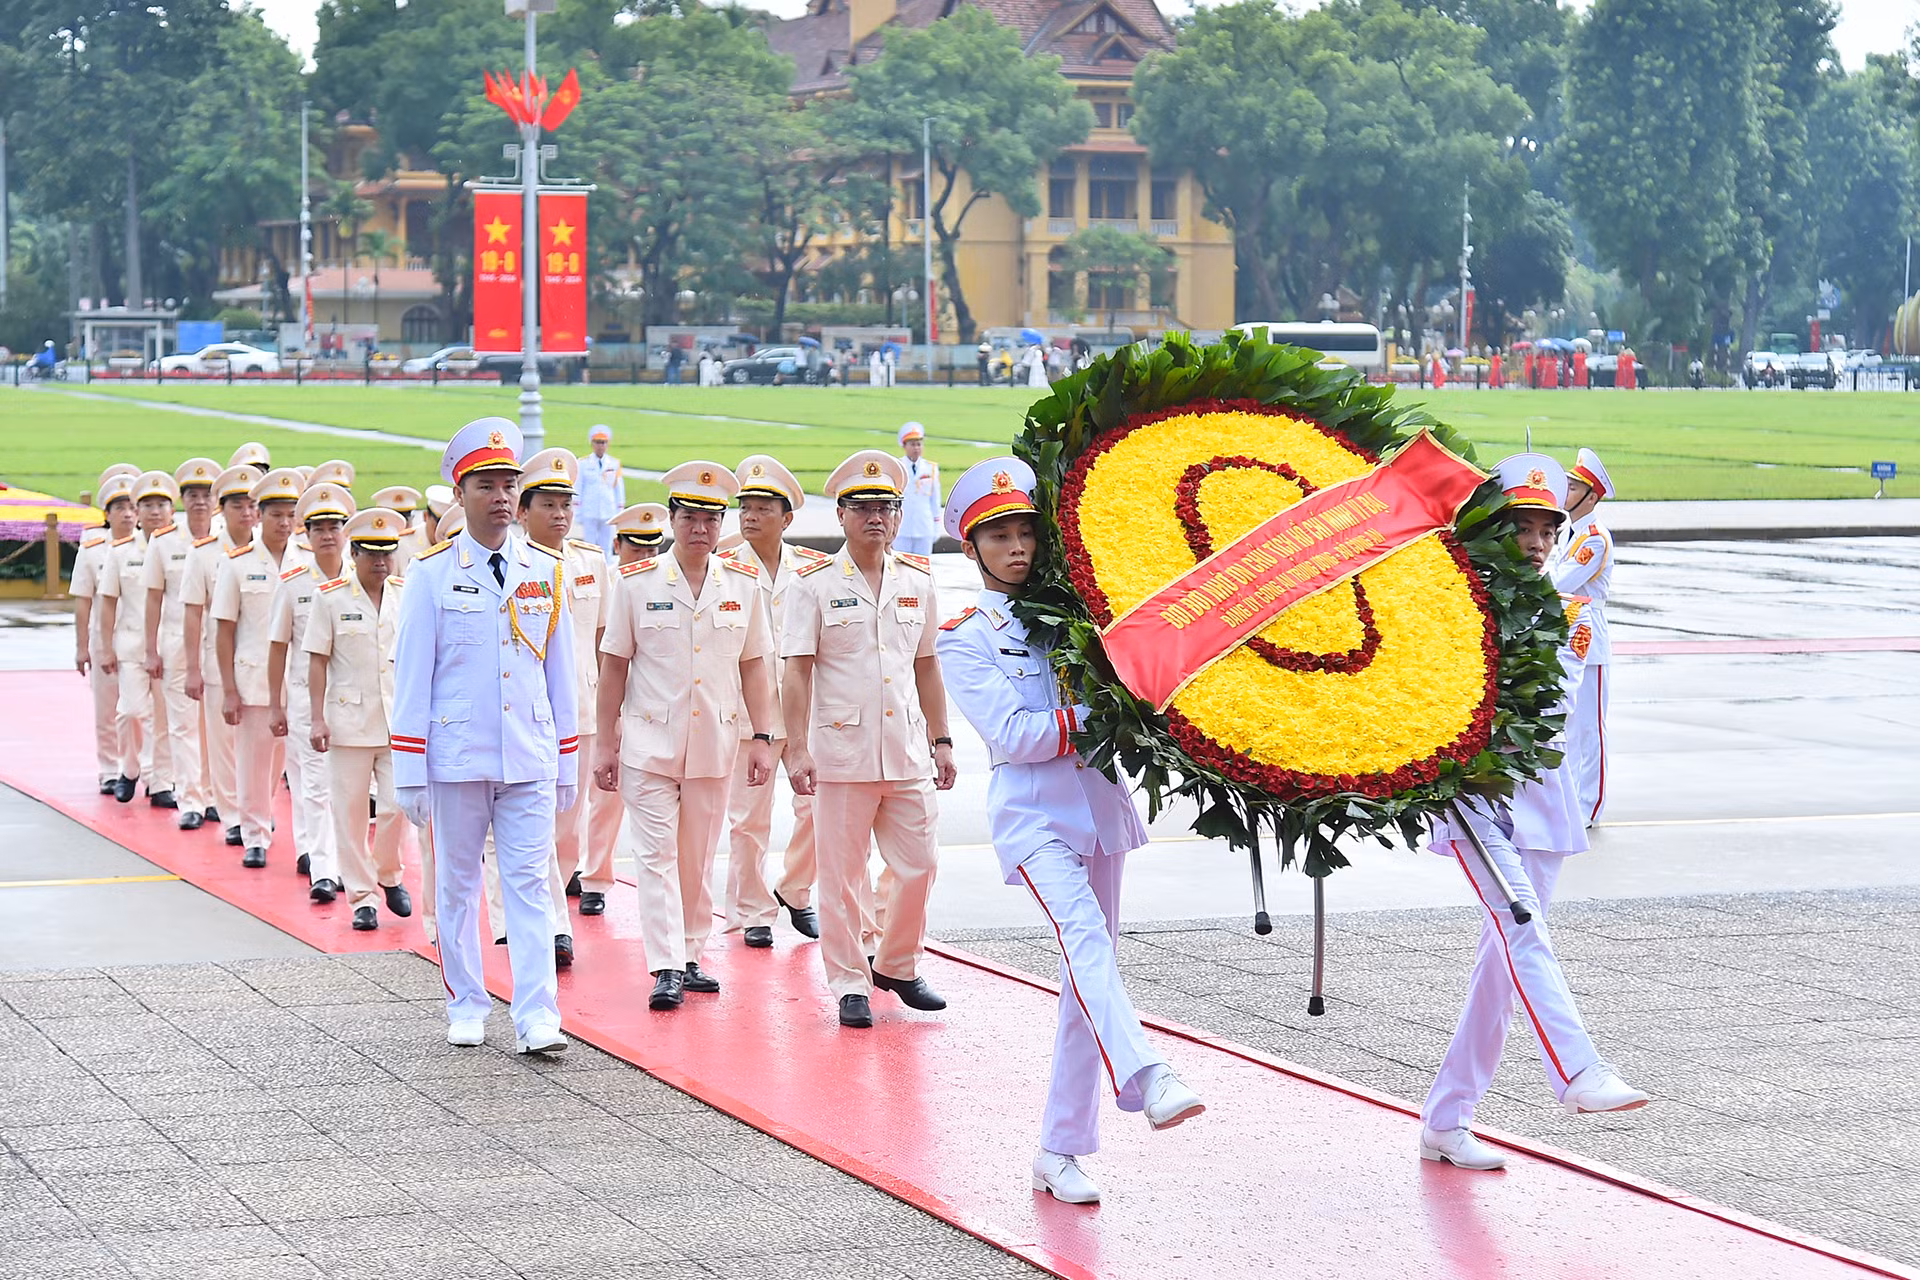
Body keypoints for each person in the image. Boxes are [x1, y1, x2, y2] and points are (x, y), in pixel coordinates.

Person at [936, 456, 1204, 1204]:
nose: (1017, 548)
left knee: (1089, 974)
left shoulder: (1078, 612)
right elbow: (1014, 735)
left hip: (1098, 808)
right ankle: (1148, 1075)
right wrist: (1105, 709)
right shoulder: (965, 636)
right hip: (1034, 817)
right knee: (1086, 942)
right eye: (999, 537)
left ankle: (1059, 1151)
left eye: (1026, 532)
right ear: (971, 548)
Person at [1418, 453, 1648, 1172]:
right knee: (1521, 925)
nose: (1539, 543)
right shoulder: (1451, 602)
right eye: (1524, 527)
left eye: (1548, 530)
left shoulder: (1567, 613)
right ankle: (1578, 1070)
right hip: (1475, 800)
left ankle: (1447, 1118)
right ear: (1495, 528)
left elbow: (1549, 708)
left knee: (1501, 969)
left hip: (1542, 803)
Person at [392, 416, 576, 1054]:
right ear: (460, 494)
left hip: (528, 753)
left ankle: (537, 1015)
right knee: (457, 887)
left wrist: (568, 759)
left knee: (529, 888)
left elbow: (560, 675)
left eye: (508, 484)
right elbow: (413, 678)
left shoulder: (545, 570)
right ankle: (466, 1002)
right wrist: (410, 769)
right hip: (457, 757)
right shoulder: (430, 574)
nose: (500, 497)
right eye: (486, 485)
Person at [781, 450, 955, 1028]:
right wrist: (796, 749)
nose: (875, 517)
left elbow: (926, 665)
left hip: (905, 749)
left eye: (886, 507)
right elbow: (797, 670)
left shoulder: (918, 581)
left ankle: (897, 965)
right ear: (841, 515)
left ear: (899, 514)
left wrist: (942, 739)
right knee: (840, 877)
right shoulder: (813, 584)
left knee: (919, 865)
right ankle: (850, 982)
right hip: (841, 751)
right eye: (862, 507)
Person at [594, 462, 777, 1010]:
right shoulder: (635, 583)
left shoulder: (741, 585)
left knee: (695, 858)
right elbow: (613, 666)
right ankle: (667, 964)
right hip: (648, 745)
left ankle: (691, 952)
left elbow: (754, 666)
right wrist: (605, 742)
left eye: (710, 519)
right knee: (655, 858)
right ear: (672, 520)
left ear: (721, 524)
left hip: (714, 745)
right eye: (690, 517)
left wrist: (763, 736)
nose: (700, 528)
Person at [719, 456, 837, 948]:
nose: (750, 516)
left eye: (763, 508)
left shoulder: (812, 568)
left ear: (786, 518)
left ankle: (795, 887)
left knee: (818, 809)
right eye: (744, 507)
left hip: (804, 712)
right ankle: (752, 910)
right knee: (749, 819)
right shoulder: (722, 568)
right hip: (750, 716)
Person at [305, 508, 415, 931]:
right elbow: (317, 661)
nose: (381, 562)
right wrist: (317, 718)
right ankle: (362, 897)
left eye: (387, 553)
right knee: (350, 814)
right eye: (372, 553)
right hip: (348, 721)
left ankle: (388, 873)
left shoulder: (405, 595)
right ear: (354, 554)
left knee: (395, 807)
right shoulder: (331, 597)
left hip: (396, 720)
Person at [213, 468, 304, 869]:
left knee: (287, 763)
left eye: (290, 515)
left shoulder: (307, 562)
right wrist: (228, 689)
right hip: (252, 679)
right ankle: (253, 834)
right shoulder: (236, 564)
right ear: (258, 515)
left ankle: (283, 828)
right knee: (252, 760)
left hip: (297, 681)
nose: (284, 523)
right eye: (276, 515)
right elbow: (224, 630)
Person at [268, 482, 355, 899]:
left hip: (355, 702)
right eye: (318, 528)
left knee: (351, 791)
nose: (326, 535)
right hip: (307, 700)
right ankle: (324, 869)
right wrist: (275, 704)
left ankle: (347, 864)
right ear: (306, 534)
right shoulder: (294, 583)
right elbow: (277, 646)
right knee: (317, 786)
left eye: (334, 526)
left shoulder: (361, 579)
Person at [182, 466, 258, 843]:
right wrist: (192, 668)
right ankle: (233, 818)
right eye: (237, 506)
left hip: (263, 664)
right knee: (223, 744)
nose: (246, 513)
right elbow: (193, 612)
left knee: (265, 749)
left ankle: (256, 809)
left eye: (251, 506)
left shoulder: (274, 550)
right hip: (219, 660)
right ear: (221, 509)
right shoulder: (204, 553)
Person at [143, 459, 220, 829]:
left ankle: (213, 796)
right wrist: (150, 649)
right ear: (182, 500)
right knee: (182, 724)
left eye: (206, 495)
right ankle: (190, 799)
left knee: (214, 728)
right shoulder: (164, 541)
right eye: (192, 495)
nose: (200, 502)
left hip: (219, 645)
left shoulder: (228, 541)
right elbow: (153, 597)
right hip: (176, 642)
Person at [97, 474, 178, 805]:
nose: (155, 512)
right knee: (131, 711)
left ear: (172, 510)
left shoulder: (182, 550)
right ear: (137, 511)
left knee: (165, 718)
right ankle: (129, 769)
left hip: (170, 645)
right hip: (131, 646)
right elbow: (107, 602)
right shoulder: (121, 552)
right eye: (148, 506)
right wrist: (105, 647)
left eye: (161, 505)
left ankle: (160, 782)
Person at [1553, 449, 1616, 827]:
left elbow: (1558, 583)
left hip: (1589, 642)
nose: (1566, 491)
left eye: (1574, 487)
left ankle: (1590, 806)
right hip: (1567, 636)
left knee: (1590, 730)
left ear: (1591, 497)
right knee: (1569, 728)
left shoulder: (1593, 539)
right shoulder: (1569, 532)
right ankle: (1572, 800)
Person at [75, 467, 140, 795]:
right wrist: (82, 647)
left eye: (132, 507)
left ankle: (143, 767)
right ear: (107, 514)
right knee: (107, 708)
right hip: (105, 639)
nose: (127, 514)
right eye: (120, 508)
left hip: (139, 639)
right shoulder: (94, 549)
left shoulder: (150, 546)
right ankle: (110, 768)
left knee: (139, 711)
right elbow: (83, 601)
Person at [895, 423, 942, 557]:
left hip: (924, 526)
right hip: (902, 527)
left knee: (923, 564)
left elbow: (935, 499)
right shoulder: (898, 466)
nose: (916, 448)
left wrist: (936, 525)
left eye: (919, 444)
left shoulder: (930, 468)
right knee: (901, 564)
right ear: (904, 446)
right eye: (912, 444)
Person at [577, 426, 624, 559]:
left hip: (608, 509)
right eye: (597, 442)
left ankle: (606, 568)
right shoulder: (583, 463)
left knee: (607, 546)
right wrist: (577, 511)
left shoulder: (614, 463)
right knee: (589, 545)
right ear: (592, 444)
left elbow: (619, 489)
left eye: (603, 443)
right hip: (589, 509)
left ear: (608, 444)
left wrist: (620, 511)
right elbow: (578, 487)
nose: (600, 446)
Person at [369, 485, 427, 574]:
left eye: (406, 520)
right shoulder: (367, 546)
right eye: (395, 522)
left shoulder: (421, 543)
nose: (402, 526)